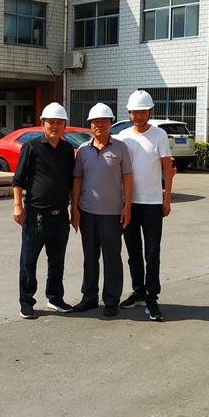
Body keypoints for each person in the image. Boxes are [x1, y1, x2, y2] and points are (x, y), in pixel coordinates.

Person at [12, 102, 75, 319]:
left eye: (59, 122)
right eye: (51, 122)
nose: (55, 126)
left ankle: (55, 298)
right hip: (35, 215)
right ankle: (26, 302)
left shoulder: (67, 150)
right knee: (28, 261)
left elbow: (71, 182)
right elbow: (18, 180)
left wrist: (74, 209)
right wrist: (17, 206)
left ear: (64, 125)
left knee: (57, 261)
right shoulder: (31, 147)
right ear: (42, 124)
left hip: (60, 215)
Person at [71, 103, 133, 317]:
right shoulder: (83, 150)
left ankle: (111, 300)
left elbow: (127, 178)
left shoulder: (121, 148)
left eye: (104, 121)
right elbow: (77, 179)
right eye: (95, 121)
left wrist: (127, 206)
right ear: (90, 125)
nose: (99, 124)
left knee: (112, 258)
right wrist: (74, 208)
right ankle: (89, 297)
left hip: (112, 214)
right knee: (90, 257)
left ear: (110, 124)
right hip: (87, 212)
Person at [116, 90, 173, 321]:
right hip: (128, 204)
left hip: (152, 204)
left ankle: (152, 298)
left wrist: (166, 198)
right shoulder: (123, 136)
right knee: (133, 252)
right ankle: (138, 291)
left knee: (152, 253)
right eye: (133, 112)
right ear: (129, 113)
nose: (137, 116)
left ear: (149, 112)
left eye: (142, 112)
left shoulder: (159, 135)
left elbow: (167, 168)